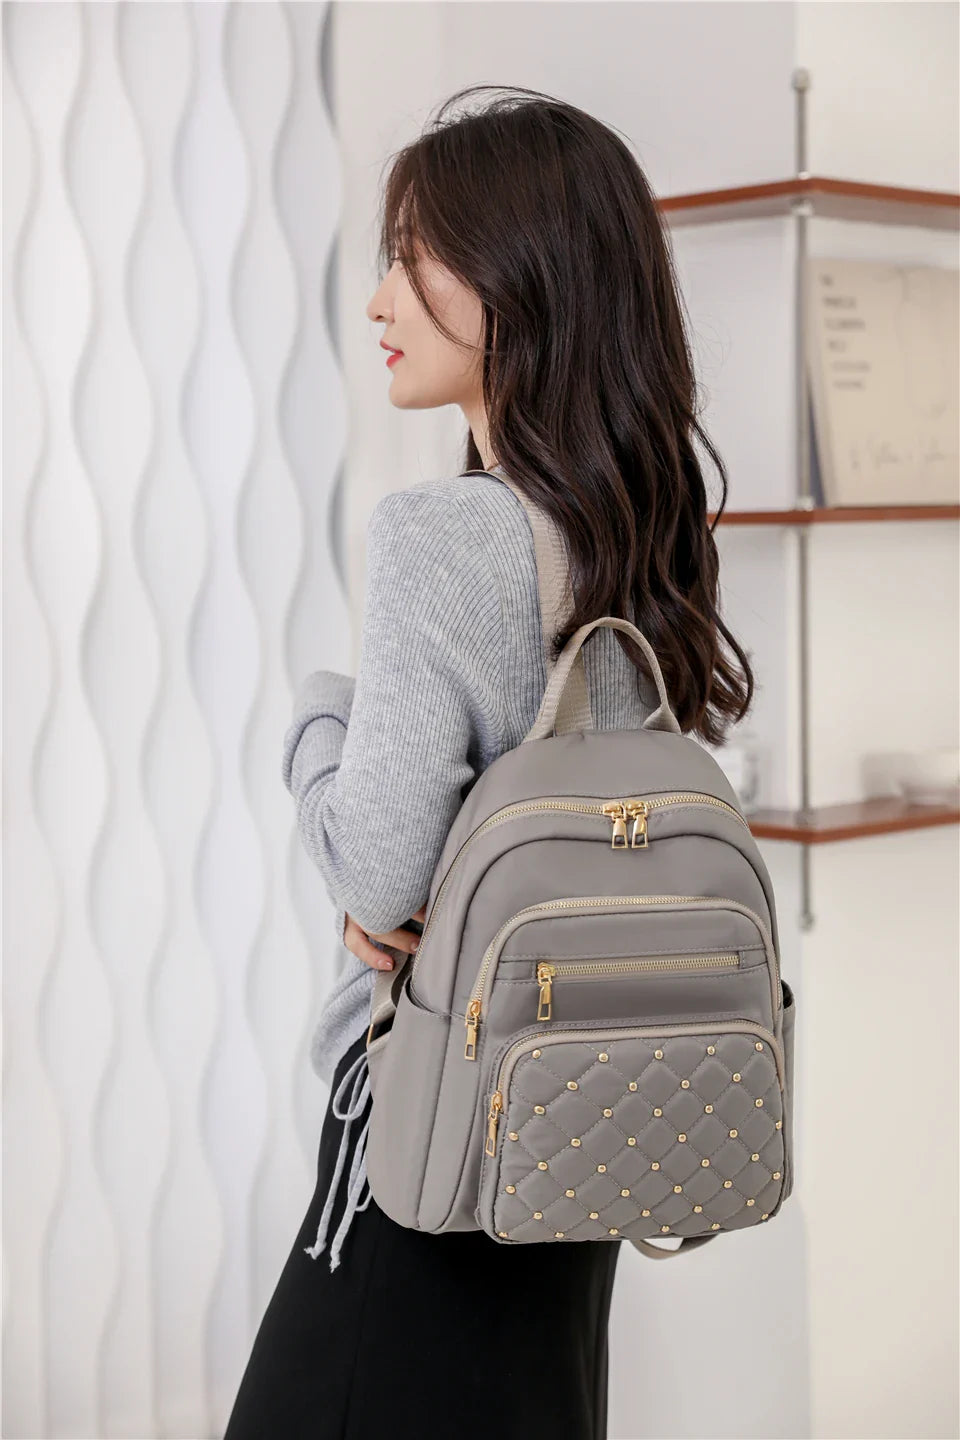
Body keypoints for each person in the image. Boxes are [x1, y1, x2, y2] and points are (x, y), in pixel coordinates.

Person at [223, 83, 754, 1440]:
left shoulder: (448, 538)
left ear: (516, 276)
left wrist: (316, 717)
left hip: (424, 1160)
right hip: (581, 1137)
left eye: (410, 252)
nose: (378, 297)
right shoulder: (651, 533)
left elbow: (378, 864)